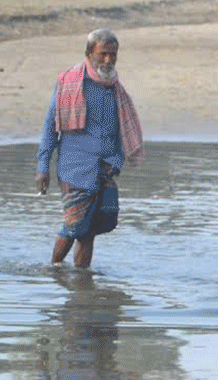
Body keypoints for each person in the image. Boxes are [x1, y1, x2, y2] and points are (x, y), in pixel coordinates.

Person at [35, 28, 144, 268]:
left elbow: (118, 129)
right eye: (103, 54)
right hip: (76, 167)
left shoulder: (115, 87)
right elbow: (50, 127)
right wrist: (42, 167)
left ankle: (82, 281)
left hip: (106, 168)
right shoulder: (69, 83)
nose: (108, 60)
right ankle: (53, 269)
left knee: (95, 227)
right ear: (88, 53)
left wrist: (117, 161)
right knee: (75, 225)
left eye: (113, 55)